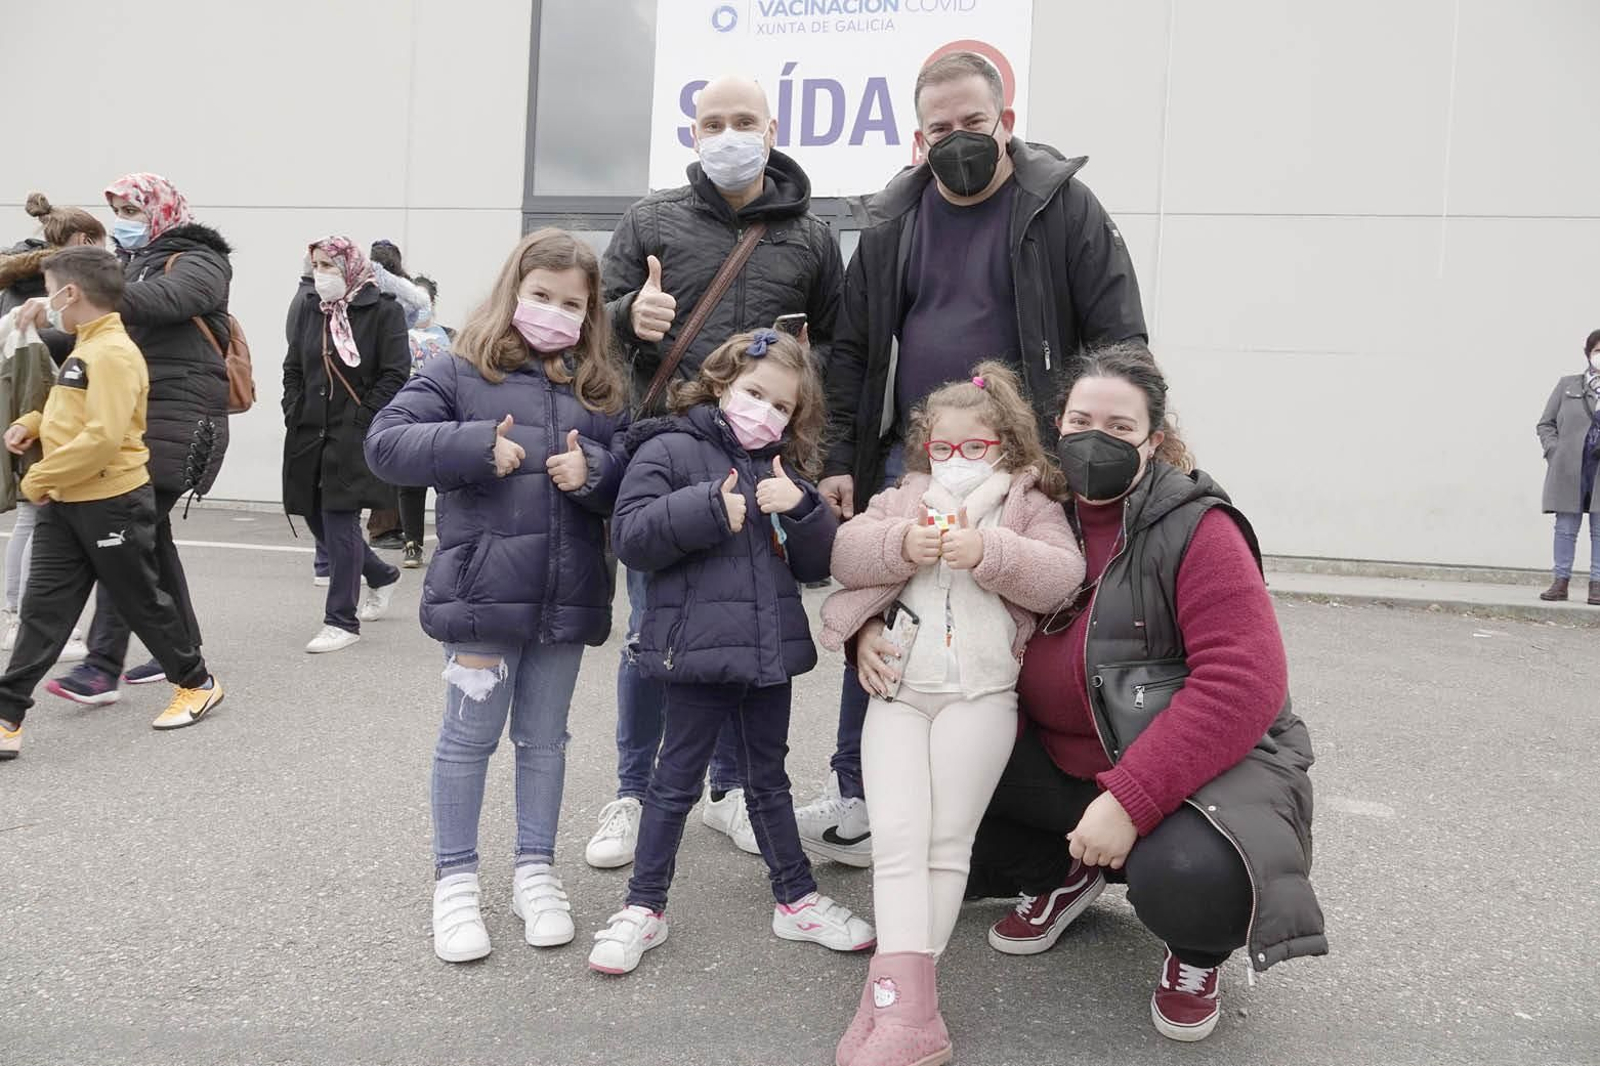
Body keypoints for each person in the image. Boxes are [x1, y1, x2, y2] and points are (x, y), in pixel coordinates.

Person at [850, 344, 1325, 1045]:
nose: (1096, 438)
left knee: (1195, 874)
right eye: (1080, 419)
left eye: (1122, 426)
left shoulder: (1197, 527)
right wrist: (868, 624)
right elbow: (926, 580)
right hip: (1062, 761)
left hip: (1190, 775)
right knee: (941, 800)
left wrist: (1132, 798)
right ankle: (1072, 869)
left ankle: (1196, 954)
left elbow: (1244, 682)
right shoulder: (1039, 508)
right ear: (1057, 426)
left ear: (1153, 440)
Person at [802, 51, 1149, 866]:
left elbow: (1119, 333)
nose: (957, 140)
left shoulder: (1062, 209)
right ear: (917, 139)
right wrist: (841, 457)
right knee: (885, 602)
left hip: (1028, 466)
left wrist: (1097, 441)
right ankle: (861, 789)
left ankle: (993, 808)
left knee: (1017, 619)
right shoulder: (892, 223)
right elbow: (850, 351)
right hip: (913, 464)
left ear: (1006, 123)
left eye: (973, 124)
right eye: (940, 129)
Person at [590, 73, 845, 869]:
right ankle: (633, 790)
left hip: (766, 461)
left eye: (743, 121)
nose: (727, 133)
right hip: (670, 450)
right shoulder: (651, 218)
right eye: (712, 121)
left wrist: (820, 454)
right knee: (650, 627)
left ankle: (730, 792)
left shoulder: (811, 236)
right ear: (692, 134)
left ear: (770, 131)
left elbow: (838, 349)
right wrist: (627, 316)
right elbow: (587, 325)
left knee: (750, 624)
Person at [366, 228, 631, 963]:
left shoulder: (600, 389)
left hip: (566, 599)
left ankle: (535, 870)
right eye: (541, 295)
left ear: (591, 313)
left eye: (570, 303)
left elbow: (633, 482)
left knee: (545, 741)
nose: (553, 310)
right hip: (482, 598)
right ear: (515, 290)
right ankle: (454, 881)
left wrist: (597, 474)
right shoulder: (459, 370)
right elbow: (385, 443)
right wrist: (476, 444)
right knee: (467, 740)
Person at [819, 363, 1084, 1066]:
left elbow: (1063, 577)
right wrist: (903, 545)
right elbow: (843, 553)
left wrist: (987, 551)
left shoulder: (1027, 503)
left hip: (981, 698)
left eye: (975, 447)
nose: (957, 460)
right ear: (924, 447)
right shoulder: (904, 497)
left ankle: (899, 1002)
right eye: (943, 447)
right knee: (899, 840)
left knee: (944, 845)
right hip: (898, 692)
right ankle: (905, 1007)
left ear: (1006, 444)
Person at [589, 329, 871, 975]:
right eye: (754, 394)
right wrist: (709, 509)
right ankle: (643, 908)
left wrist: (801, 508)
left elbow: (814, 563)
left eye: (781, 407)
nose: (764, 413)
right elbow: (632, 535)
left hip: (767, 655)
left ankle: (796, 898)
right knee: (673, 782)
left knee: (767, 780)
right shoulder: (668, 445)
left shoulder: (783, 467)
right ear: (721, 382)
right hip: (696, 653)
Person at [17, 175, 233, 707]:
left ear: (161, 210)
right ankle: (180, 656)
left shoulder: (198, 258)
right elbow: (86, 329)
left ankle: (102, 664)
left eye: (133, 208)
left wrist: (85, 295)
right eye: (116, 208)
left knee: (121, 544)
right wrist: (27, 330)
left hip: (178, 418)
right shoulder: (130, 263)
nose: (123, 218)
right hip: (136, 413)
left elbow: (166, 299)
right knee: (148, 541)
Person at [282, 237, 408, 653]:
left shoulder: (384, 311)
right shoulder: (310, 309)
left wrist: (362, 418)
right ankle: (382, 574)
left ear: (350, 268)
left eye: (330, 265)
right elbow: (294, 366)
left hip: (352, 432)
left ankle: (341, 619)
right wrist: (292, 408)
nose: (321, 273)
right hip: (309, 429)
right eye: (316, 264)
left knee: (339, 521)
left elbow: (395, 373)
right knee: (316, 518)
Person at [1, 193, 107, 662]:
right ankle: (19, 617)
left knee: (36, 513)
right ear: (84, 240)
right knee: (34, 512)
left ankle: (20, 617)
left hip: (29, 402)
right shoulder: (49, 287)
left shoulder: (20, 274)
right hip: (43, 406)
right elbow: (64, 339)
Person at [364, 239, 429, 552]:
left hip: (370, 375)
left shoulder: (362, 289)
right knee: (393, 452)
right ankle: (386, 527)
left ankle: (387, 526)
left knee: (383, 450)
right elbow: (421, 302)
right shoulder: (393, 293)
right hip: (394, 378)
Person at [1534, 329, 1600, 604]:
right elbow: (1545, 423)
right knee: (1565, 527)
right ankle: (1560, 581)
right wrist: (1555, 451)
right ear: (1588, 353)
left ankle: (1597, 584)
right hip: (1570, 468)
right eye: (1597, 350)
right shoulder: (1568, 385)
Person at [397, 274, 453, 569]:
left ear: (433, 302)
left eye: (423, 301)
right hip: (410, 417)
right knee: (411, 484)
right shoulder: (396, 336)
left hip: (444, 418)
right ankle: (412, 544)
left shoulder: (451, 336)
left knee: (447, 483)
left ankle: (450, 542)